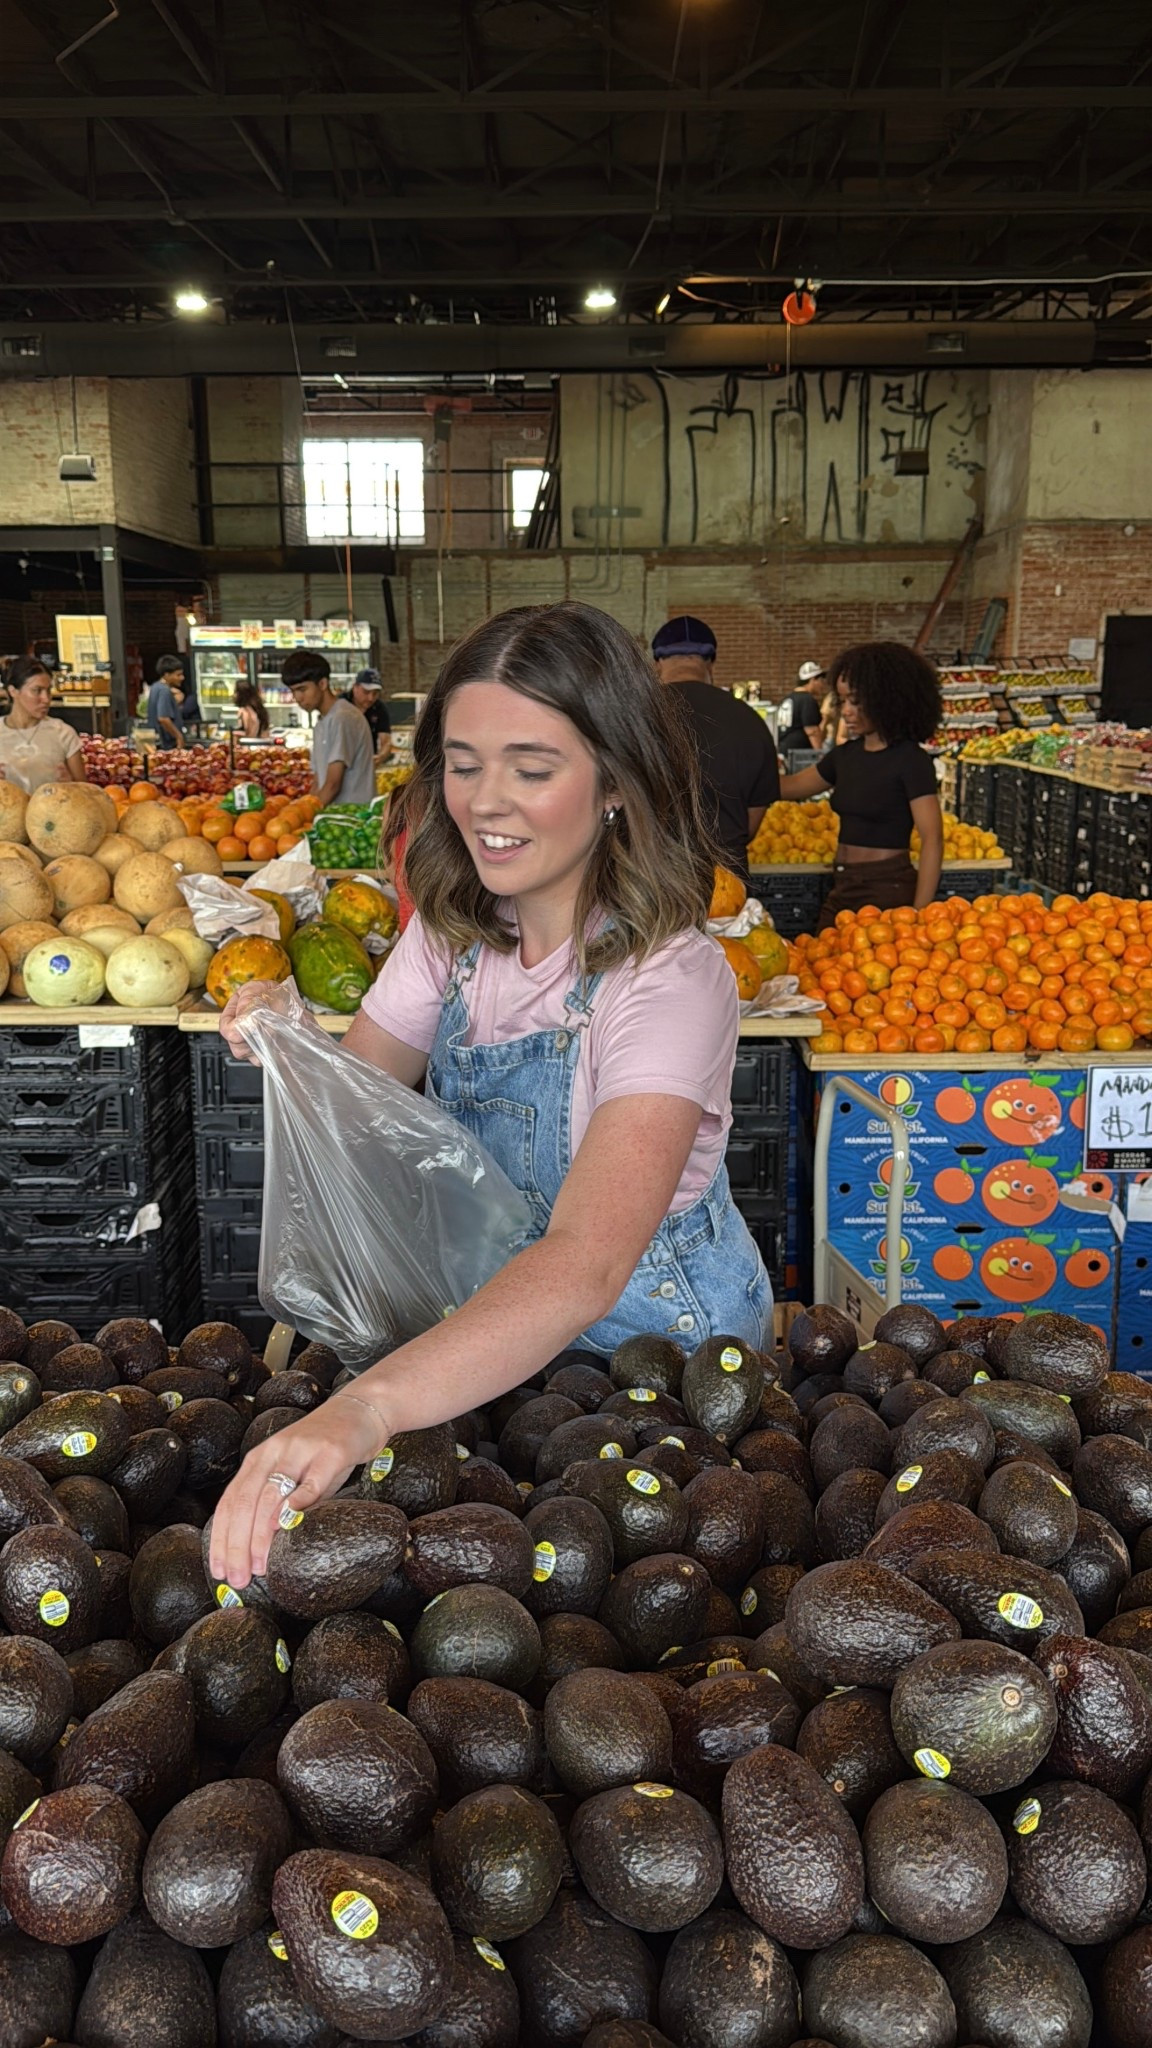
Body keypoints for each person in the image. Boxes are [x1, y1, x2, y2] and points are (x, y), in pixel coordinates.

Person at [209, 600, 772, 1586]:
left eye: (531, 765)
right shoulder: (452, 936)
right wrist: (293, 1042)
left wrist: (371, 1405)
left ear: (614, 782)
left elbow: (587, 1260)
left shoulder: (668, 981)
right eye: (463, 763)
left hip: (656, 1363)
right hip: (490, 1339)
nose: (486, 800)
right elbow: (367, 1094)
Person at [780, 641, 944, 926]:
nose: (846, 711)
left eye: (856, 701)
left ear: (886, 699)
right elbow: (791, 787)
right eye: (843, 701)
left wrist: (920, 914)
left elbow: (932, 838)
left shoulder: (910, 760)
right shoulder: (844, 756)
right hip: (843, 885)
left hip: (888, 888)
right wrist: (742, 767)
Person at [650, 614, 779, 885]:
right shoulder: (749, 720)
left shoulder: (634, 715)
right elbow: (752, 822)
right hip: (724, 884)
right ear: (710, 663)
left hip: (650, 880)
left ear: (657, 663)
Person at [280, 649, 375, 807]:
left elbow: (332, 785)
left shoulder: (342, 718)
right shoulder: (322, 722)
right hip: (332, 820)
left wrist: (306, 816)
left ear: (322, 684)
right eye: (293, 691)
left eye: (302, 689)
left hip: (353, 822)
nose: (298, 698)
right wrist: (304, 810)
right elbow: (319, 781)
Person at [0, 658, 87, 788]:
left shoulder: (63, 733)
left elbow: (86, 793)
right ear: (13, 691)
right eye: (37, 690)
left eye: (48, 690)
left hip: (54, 808)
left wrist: (71, 785)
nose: (46, 699)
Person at [777, 661, 826, 758]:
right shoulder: (807, 699)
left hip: (783, 751)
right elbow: (812, 731)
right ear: (812, 680)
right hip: (799, 756)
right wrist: (820, 755)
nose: (822, 685)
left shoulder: (788, 698)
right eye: (821, 680)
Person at [348, 668, 393, 764]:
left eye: (375, 693)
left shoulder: (379, 708)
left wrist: (381, 756)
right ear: (355, 687)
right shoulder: (341, 704)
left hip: (368, 762)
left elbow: (386, 741)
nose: (370, 698)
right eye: (366, 692)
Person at [146, 657, 185, 751]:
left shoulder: (155, 687)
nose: (182, 678)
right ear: (166, 675)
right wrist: (179, 737)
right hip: (166, 745)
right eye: (178, 675)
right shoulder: (164, 691)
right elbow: (163, 718)